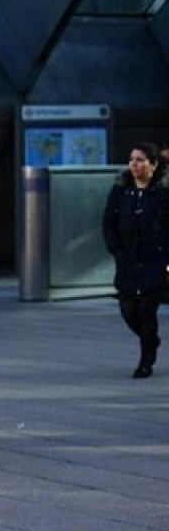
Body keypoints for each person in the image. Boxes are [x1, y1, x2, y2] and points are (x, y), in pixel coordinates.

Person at [103, 141, 169, 379]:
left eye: (140, 160)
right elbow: (108, 221)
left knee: (146, 309)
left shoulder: (163, 192)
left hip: (155, 259)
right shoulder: (121, 189)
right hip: (128, 259)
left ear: (153, 164)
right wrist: (115, 248)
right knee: (128, 310)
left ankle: (145, 361)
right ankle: (151, 341)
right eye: (132, 159)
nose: (134, 164)